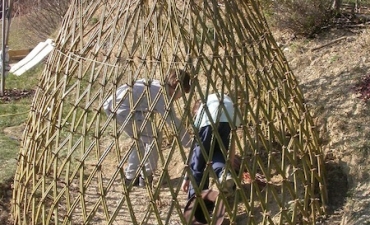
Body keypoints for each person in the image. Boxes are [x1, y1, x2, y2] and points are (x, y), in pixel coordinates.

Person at [103, 69, 192, 187]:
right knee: (154, 137)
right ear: (177, 84)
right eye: (182, 93)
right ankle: (146, 176)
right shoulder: (162, 94)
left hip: (114, 106)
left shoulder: (155, 85)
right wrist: (190, 143)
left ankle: (131, 177)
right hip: (124, 110)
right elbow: (174, 123)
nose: (181, 97)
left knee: (140, 139)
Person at [181, 93, 241, 199]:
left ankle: (197, 199)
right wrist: (229, 164)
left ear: (197, 111)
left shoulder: (203, 112)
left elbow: (196, 152)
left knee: (199, 163)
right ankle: (223, 173)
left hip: (209, 120)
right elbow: (232, 142)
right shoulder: (219, 99)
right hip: (229, 117)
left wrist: (187, 178)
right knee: (219, 153)